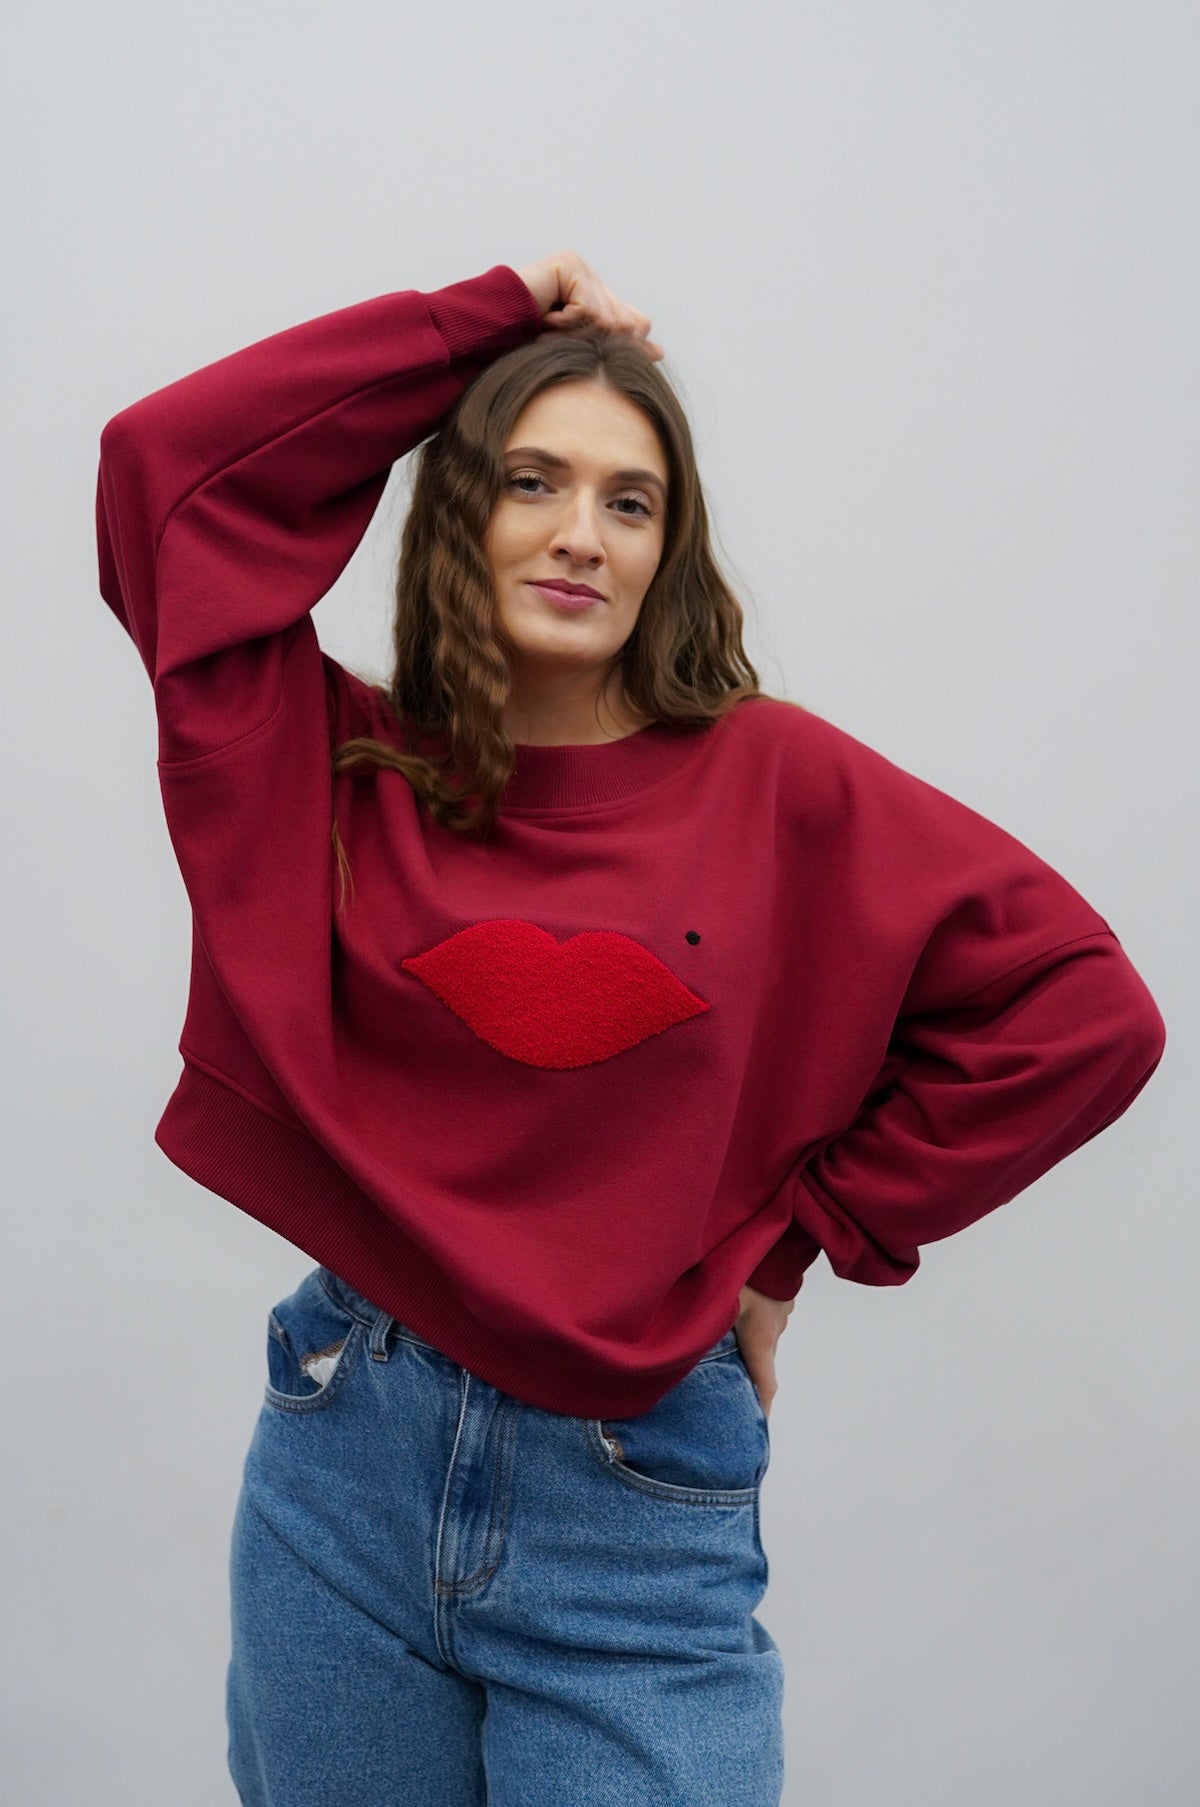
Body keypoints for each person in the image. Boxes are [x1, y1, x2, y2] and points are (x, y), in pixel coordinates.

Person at [94, 249, 1166, 1806]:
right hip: (342, 1462)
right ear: (458, 512)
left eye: (632, 502)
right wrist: (482, 320)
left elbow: (1083, 1015)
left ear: (670, 551)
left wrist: (803, 1242)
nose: (582, 535)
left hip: (632, 1494)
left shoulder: (776, 781)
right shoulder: (327, 763)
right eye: (531, 481)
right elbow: (167, 475)